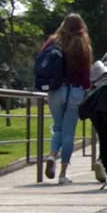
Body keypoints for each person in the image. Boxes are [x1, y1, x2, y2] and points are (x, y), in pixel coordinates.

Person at [40, 13, 93, 184]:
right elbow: (86, 75)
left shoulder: (53, 42)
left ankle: (51, 155)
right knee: (69, 133)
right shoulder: (83, 46)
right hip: (75, 91)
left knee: (58, 128)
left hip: (55, 90)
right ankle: (63, 173)